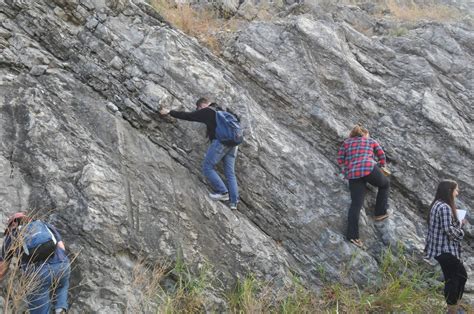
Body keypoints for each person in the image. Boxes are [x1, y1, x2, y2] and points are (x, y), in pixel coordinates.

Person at [159, 97, 240, 210]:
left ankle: (223, 192)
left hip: (221, 142)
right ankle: (234, 202)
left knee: (207, 167)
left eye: (199, 108)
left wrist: (170, 112)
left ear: (202, 105)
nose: (199, 110)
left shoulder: (207, 111)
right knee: (230, 173)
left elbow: (189, 116)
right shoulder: (222, 110)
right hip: (234, 143)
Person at [0, 213, 71, 314]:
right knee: (62, 285)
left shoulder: (12, 236)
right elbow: (61, 247)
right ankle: (60, 309)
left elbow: (2, 270)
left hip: (37, 275)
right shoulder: (45, 225)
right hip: (62, 265)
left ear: (13, 223)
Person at [337, 125, 390, 248]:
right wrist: (382, 166)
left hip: (353, 174)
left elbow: (340, 160)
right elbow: (381, 155)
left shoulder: (346, 143)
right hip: (368, 168)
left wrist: (348, 166)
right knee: (385, 184)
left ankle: (353, 237)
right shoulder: (370, 141)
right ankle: (380, 213)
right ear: (365, 134)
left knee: (356, 204)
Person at [424, 180, 467, 314]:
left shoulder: (437, 204)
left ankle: (454, 307)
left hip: (440, 250)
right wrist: (461, 229)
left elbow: (445, 226)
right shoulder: (445, 207)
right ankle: (452, 310)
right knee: (455, 279)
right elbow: (449, 230)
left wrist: (458, 223)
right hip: (445, 250)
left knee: (459, 277)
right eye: (456, 190)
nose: (457, 192)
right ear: (449, 191)